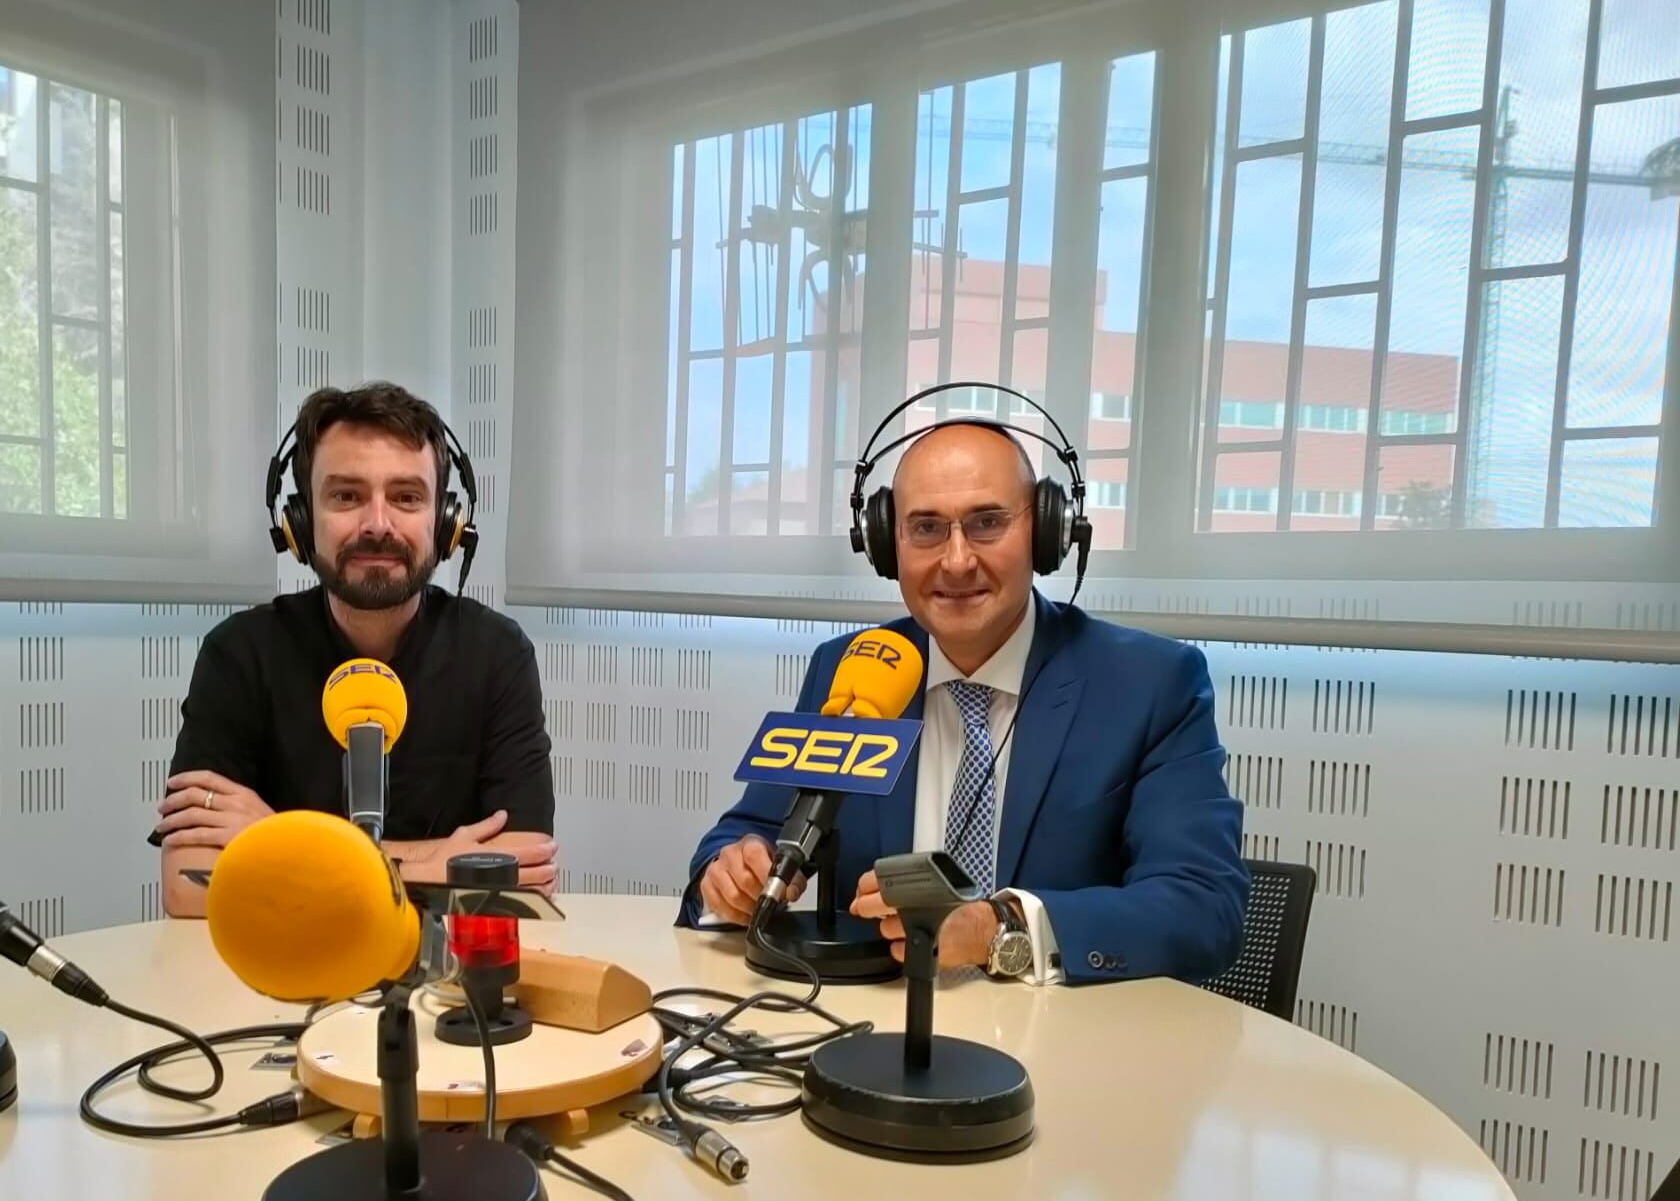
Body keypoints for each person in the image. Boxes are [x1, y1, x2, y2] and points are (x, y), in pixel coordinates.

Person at [680, 420, 1247, 983]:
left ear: (1047, 534)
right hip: (870, 1030)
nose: (955, 561)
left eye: (987, 523)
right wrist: (729, 875)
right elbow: (746, 831)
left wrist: (996, 928)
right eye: (925, 528)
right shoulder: (849, 668)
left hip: (1061, 1044)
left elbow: (1201, 907)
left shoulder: (1149, 683)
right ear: (885, 544)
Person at [155, 381, 556, 918]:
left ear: (446, 523)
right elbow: (188, 885)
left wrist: (276, 840)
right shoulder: (239, 653)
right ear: (299, 522)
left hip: (445, 977)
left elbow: (522, 875)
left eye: (407, 497)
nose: (377, 524)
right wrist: (433, 863)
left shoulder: (497, 653)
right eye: (346, 495)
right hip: (278, 975)